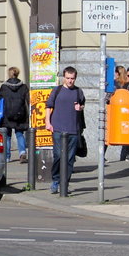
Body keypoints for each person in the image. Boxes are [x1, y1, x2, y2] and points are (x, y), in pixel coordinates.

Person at [45, 66, 85, 195]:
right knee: (58, 156)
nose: (70, 81)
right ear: (64, 77)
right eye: (67, 78)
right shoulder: (57, 91)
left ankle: (65, 183)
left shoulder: (78, 92)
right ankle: (56, 180)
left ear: (75, 78)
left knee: (69, 159)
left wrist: (80, 107)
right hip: (57, 128)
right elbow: (48, 106)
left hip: (73, 129)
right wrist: (47, 122)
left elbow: (82, 104)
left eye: (72, 79)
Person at [0, 67, 29, 163]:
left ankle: (7, 157)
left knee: (7, 136)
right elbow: (28, 100)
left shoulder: (4, 87)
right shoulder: (23, 87)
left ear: (9, 74)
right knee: (19, 134)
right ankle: (22, 152)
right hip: (20, 114)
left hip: (7, 114)